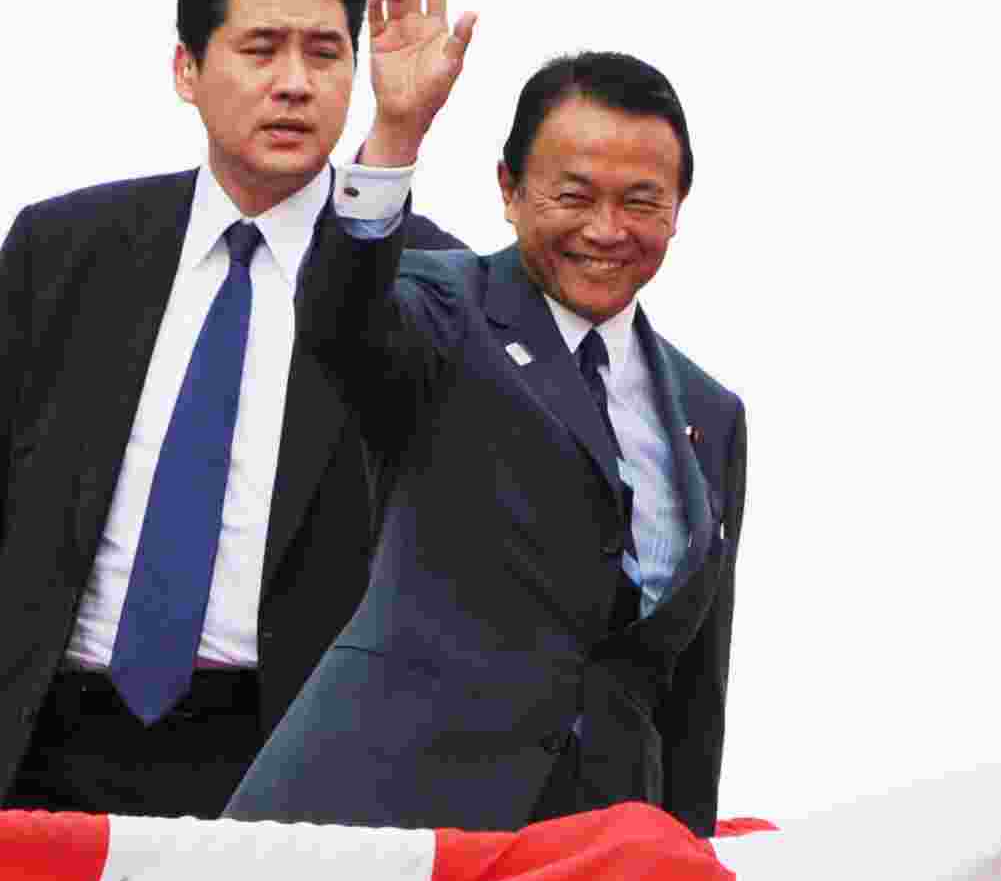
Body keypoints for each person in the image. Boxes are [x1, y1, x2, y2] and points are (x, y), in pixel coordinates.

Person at [0, 0, 475, 817]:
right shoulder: (60, 250)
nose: (293, 84)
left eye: (325, 54)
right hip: (42, 736)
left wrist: (397, 138)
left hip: (284, 756)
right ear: (187, 70)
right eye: (260, 49)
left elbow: (385, 371)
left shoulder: (425, 277)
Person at [225, 51, 746, 837]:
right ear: (509, 189)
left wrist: (687, 856)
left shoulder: (711, 411)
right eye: (575, 195)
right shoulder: (443, 309)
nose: (607, 230)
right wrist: (396, 133)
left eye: (642, 201)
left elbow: (691, 690)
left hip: (589, 849)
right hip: (382, 820)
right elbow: (340, 317)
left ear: (677, 208)